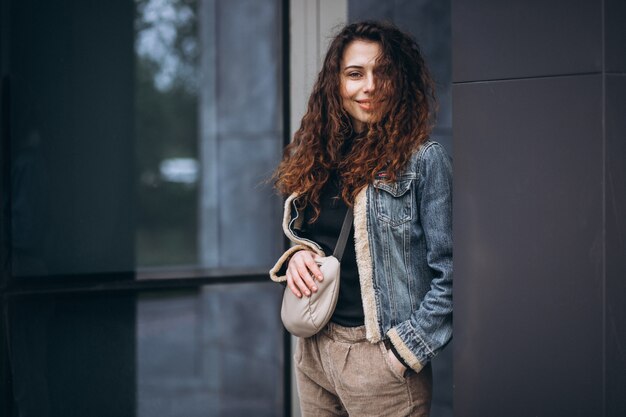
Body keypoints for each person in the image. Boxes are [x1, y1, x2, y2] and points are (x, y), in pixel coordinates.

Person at [270, 21, 452, 417]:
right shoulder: (322, 155)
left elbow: (451, 273)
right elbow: (318, 237)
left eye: (382, 72)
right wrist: (299, 254)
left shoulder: (423, 161)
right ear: (336, 82)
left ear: (399, 82)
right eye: (355, 73)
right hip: (315, 351)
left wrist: (403, 353)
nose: (369, 86)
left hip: (381, 361)